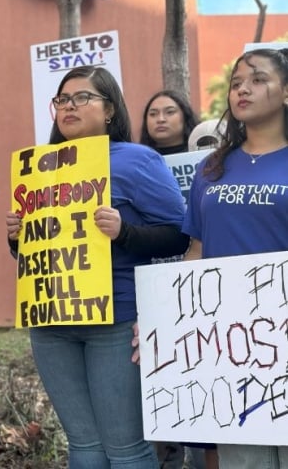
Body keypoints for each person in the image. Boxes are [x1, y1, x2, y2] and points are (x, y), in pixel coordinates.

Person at [6, 65, 188, 468]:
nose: (69, 106)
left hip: (116, 320)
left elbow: (179, 233)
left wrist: (125, 232)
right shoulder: (38, 166)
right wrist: (17, 237)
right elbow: (34, 255)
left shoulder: (138, 160)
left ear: (109, 109)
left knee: (124, 449)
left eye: (82, 98)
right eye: (62, 100)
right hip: (51, 323)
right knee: (84, 449)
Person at [182, 48, 288, 468]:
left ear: (285, 93)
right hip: (231, 345)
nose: (243, 88)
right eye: (236, 81)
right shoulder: (211, 168)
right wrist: (170, 320)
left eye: (258, 79)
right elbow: (196, 250)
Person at [139, 91, 218, 469]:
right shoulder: (140, 164)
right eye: (153, 112)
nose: (160, 119)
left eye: (169, 111)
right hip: (158, 277)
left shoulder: (215, 165)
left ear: (186, 117)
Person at [140, 89, 199, 155]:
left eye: (170, 112)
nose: (160, 119)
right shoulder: (138, 158)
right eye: (153, 114)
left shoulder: (206, 157)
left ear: (185, 116)